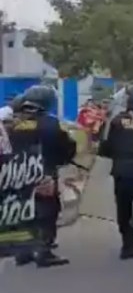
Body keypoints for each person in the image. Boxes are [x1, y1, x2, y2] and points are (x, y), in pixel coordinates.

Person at [13, 85, 77, 268]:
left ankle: (22, 252)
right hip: (43, 173)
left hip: (16, 174)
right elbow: (63, 147)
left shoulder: (14, 121)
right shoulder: (49, 123)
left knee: (22, 212)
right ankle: (44, 252)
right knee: (48, 211)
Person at [97, 85, 133, 260]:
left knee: (124, 207)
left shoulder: (116, 121)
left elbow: (105, 148)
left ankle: (127, 243)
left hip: (121, 171)